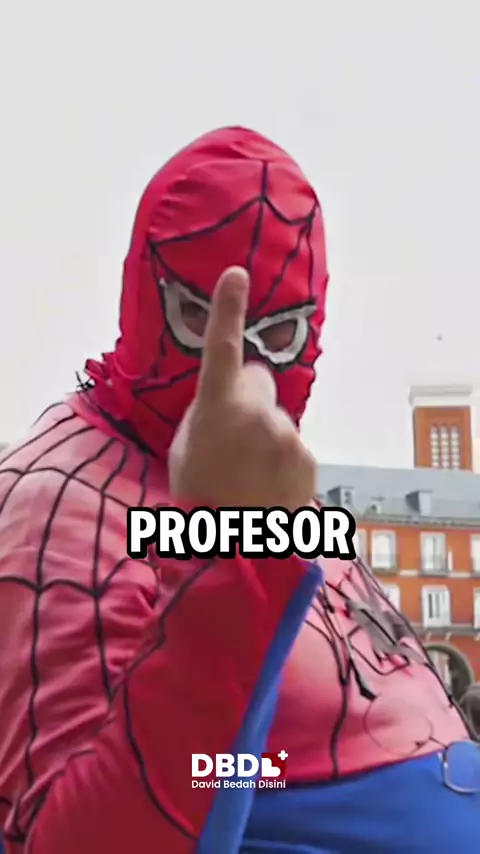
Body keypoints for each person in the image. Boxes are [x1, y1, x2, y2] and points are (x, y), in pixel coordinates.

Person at [0, 126, 478, 854]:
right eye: (200, 318)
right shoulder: (62, 498)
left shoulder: (272, 476)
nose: (246, 369)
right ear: (144, 295)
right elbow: (101, 828)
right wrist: (237, 549)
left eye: (281, 335)